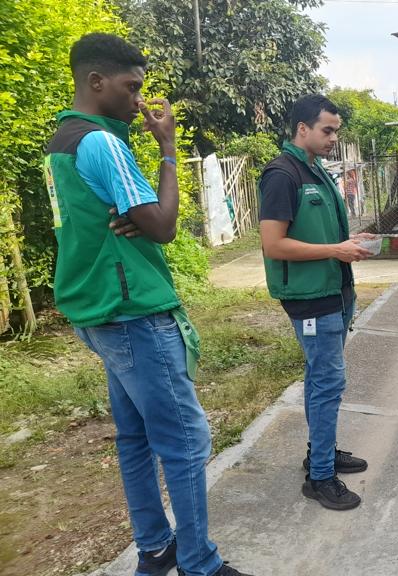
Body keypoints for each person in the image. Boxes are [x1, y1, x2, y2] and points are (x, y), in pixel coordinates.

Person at [44, 33, 249, 576]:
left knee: (135, 436)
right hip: (133, 308)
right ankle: (199, 564)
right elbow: (160, 225)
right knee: (185, 439)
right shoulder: (102, 144)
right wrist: (165, 151)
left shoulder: (60, 140)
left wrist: (132, 215)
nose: (139, 100)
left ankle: (156, 550)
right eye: (131, 88)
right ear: (96, 82)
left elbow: (98, 221)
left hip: (96, 309)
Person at [259, 94, 374, 511]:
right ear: (302, 128)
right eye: (327, 130)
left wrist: (347, 245)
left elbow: (322, 234)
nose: (333, 139)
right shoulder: (281, 174)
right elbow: (274, 244)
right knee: (327, 384)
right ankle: (320, 476)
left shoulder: (316, 171)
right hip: (311, 300)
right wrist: (333, 250)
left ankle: (320, 454)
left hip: (336, 291)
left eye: (336, 131)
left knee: (320, 380)